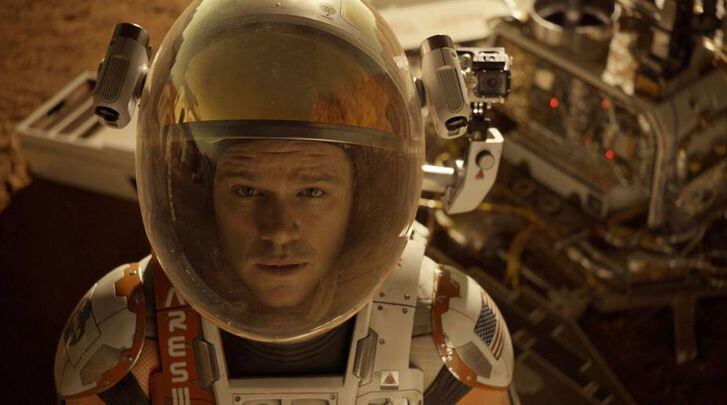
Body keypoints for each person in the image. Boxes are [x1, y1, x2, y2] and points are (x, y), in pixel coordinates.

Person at [54, 0, 514, 403]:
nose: (277, 229)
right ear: (201, 199)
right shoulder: (120, 343)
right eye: (246, 191)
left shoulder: (448, 339)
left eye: (312, 192)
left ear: (363, 204)